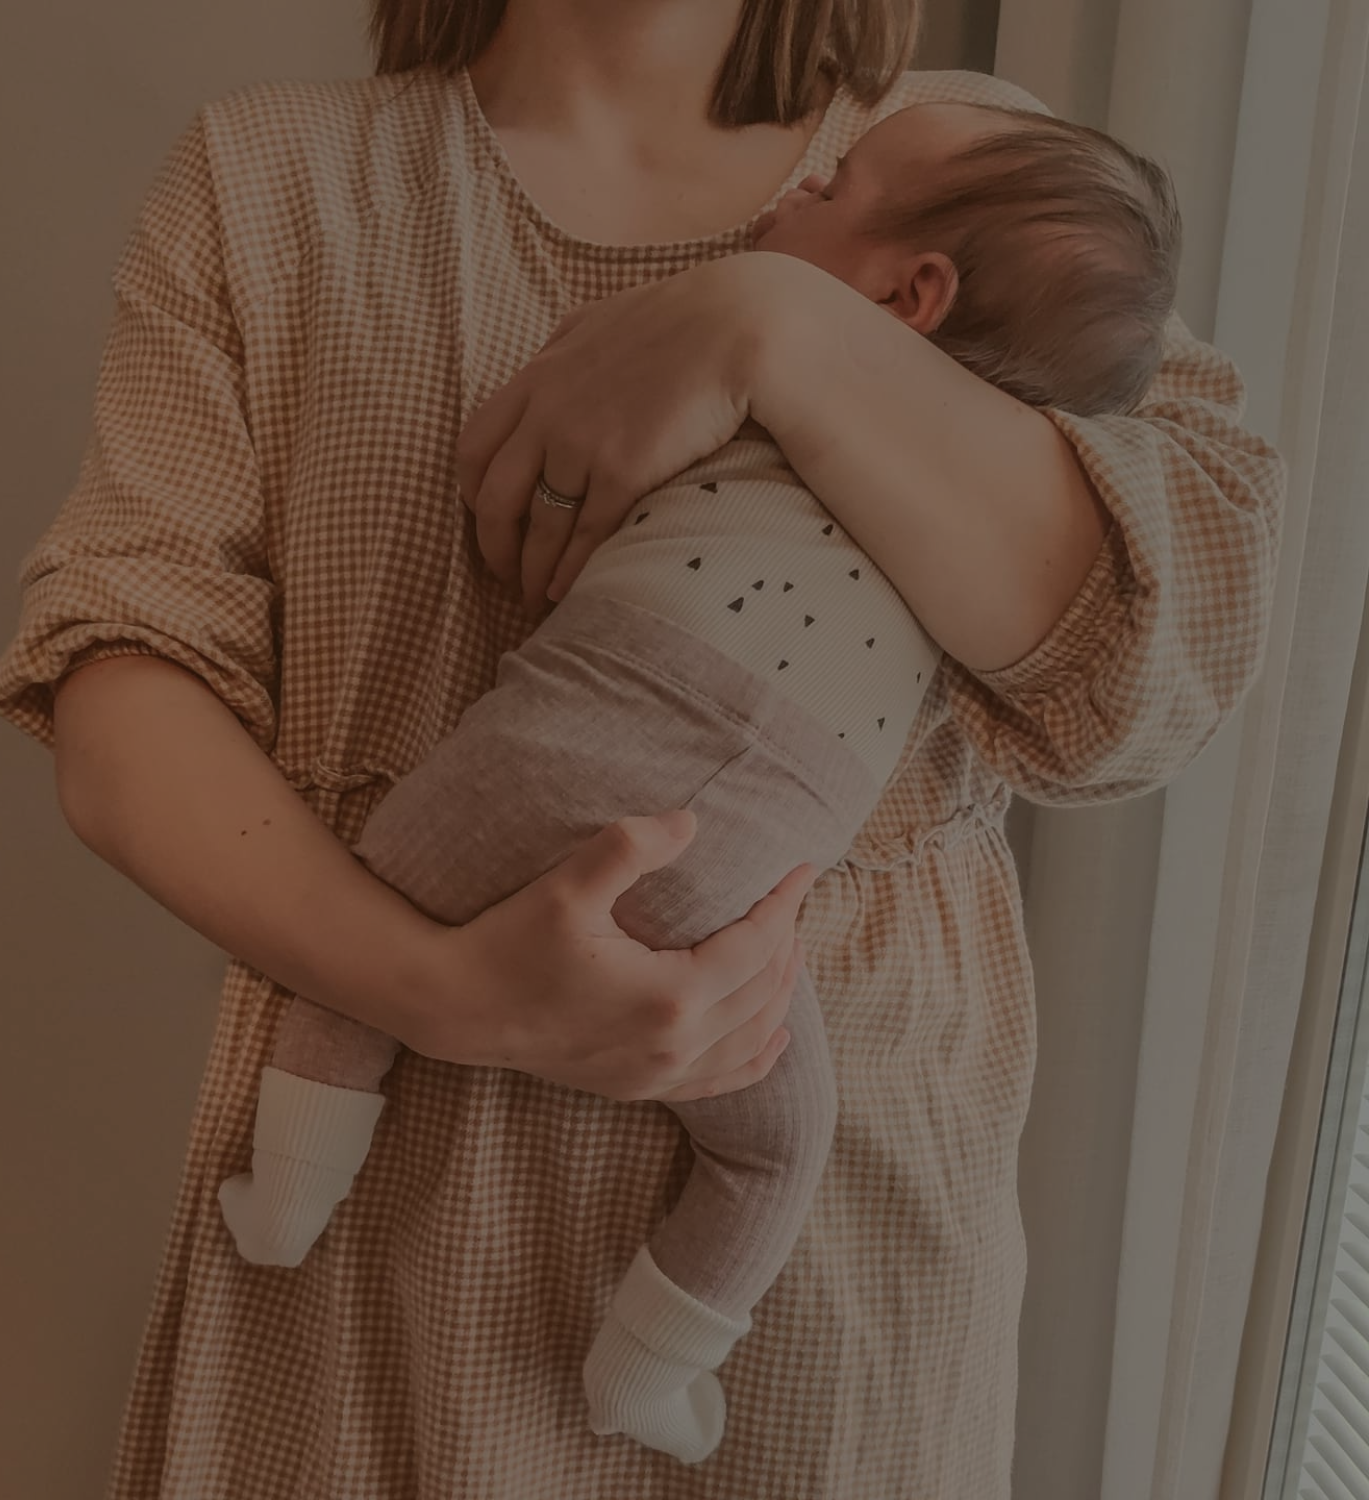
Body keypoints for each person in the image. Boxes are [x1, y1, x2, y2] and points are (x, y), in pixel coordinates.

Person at [0, 2, 1286, 1495]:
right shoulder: (272, 180)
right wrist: (438, 990)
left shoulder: (973, 158)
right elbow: (120, 681)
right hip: (389, 1222)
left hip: (827, 1278)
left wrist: (770, 325)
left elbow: (1157, 659)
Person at [210, 97, 1185, 1469]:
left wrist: (757, 317)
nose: (793, 196)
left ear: (911, 295)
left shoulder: (782, 388)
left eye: (832, 190)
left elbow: (1158, 660)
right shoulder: (970, 496)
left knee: (364, 913)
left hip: (556, 765)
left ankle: (289, 1195)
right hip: (747, 886)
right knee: (774, 1146)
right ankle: (654, 1364)